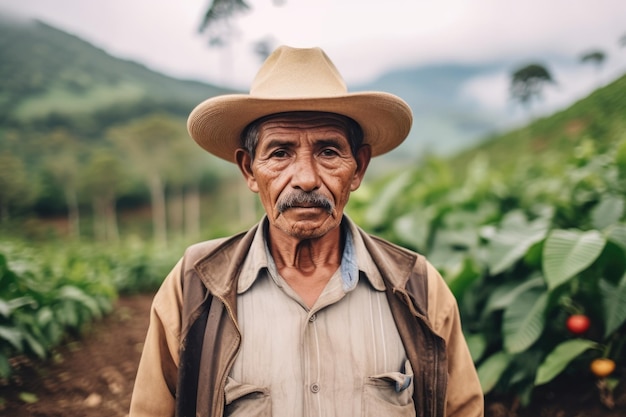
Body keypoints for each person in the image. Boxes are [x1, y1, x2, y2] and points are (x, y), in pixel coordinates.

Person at [129, 45, 483, 417]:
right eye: (280, 153)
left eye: (328, 152)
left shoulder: (418, 289)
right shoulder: (195, 286)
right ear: (249, 169)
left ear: (358, 168)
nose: (307, 179)